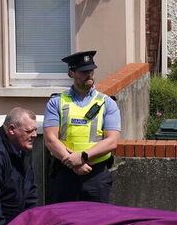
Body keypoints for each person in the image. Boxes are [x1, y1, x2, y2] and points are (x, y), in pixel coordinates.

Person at [42, 50, 121, 203]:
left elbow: (112, 141)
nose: (89, 75)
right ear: (71, 73)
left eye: (91, 70)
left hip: (96, 175)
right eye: (83, 71)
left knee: (99, 218)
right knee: (63, 217)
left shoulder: (107, 103)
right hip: (65, 174)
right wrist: (73, 164)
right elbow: (50, 139)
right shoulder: (56, 102)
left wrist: (82, 157)